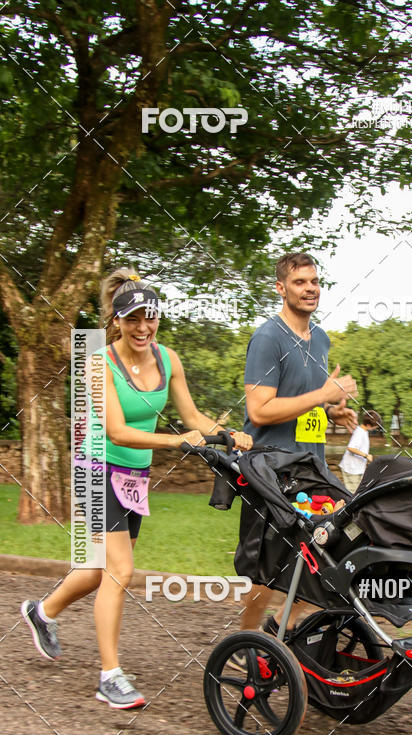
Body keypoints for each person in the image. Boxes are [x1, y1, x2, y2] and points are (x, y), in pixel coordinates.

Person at [21, 268, 252, 709]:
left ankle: (41, 612)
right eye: (132, 319)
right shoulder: (98, 364)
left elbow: (192, 417)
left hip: (133, 476)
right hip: (96, 468)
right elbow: (117, 431)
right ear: (117, 321)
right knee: (120, 570)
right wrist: (175, 442)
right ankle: (109, 677)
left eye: (151, 317)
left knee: (97, 571)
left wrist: (228, 435)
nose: (143, 327)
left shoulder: (169, 360)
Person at [241, 251, 357, 635]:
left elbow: (304, 399)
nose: (310, 289)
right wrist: (324, 393)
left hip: (311, 467)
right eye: (299, 282)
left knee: (328, 550)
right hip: (270, 469)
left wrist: (331, 411)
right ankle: (246, 643)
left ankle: (278, 628)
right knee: (266, 567)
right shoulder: (267, 338)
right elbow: (259, 410)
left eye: (314, 281)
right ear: (281, 288)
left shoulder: (320, 338)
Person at [338, 409, 383, 492]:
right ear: (369, 425)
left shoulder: (363, 431)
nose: (375, 428)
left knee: (359, 491)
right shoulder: (360, 432)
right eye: (375, 426)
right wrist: (366, 455)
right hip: (351, 468)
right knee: (353, 493)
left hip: (357, 468)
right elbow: (351, 448)